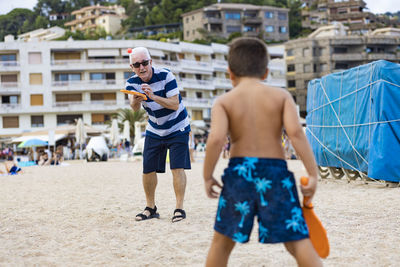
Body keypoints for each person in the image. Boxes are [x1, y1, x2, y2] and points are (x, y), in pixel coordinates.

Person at [203, 37, 322, 267]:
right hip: (275, 173)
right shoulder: (281, 96)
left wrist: (207, 176)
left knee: (222, 242)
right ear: (266, 72)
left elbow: (216, 139)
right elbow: (296, 133)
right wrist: (313, 173)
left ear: (230, 73)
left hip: (240, 173)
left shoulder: (224, 101)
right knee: (296, 239)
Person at [126, 47, 191, 223]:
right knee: (147, 169)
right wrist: (135, 102)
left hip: (178, 126)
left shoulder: (166, 76)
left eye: (144, 63)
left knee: (177, 167)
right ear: (132, 67)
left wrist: (152, 96)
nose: (142, 67)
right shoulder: (131, 83)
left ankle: (179, 208)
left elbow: (174, 104)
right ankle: (150, 208)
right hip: (155, 128)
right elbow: (134, 109)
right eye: (137, 64)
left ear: (151, 62)